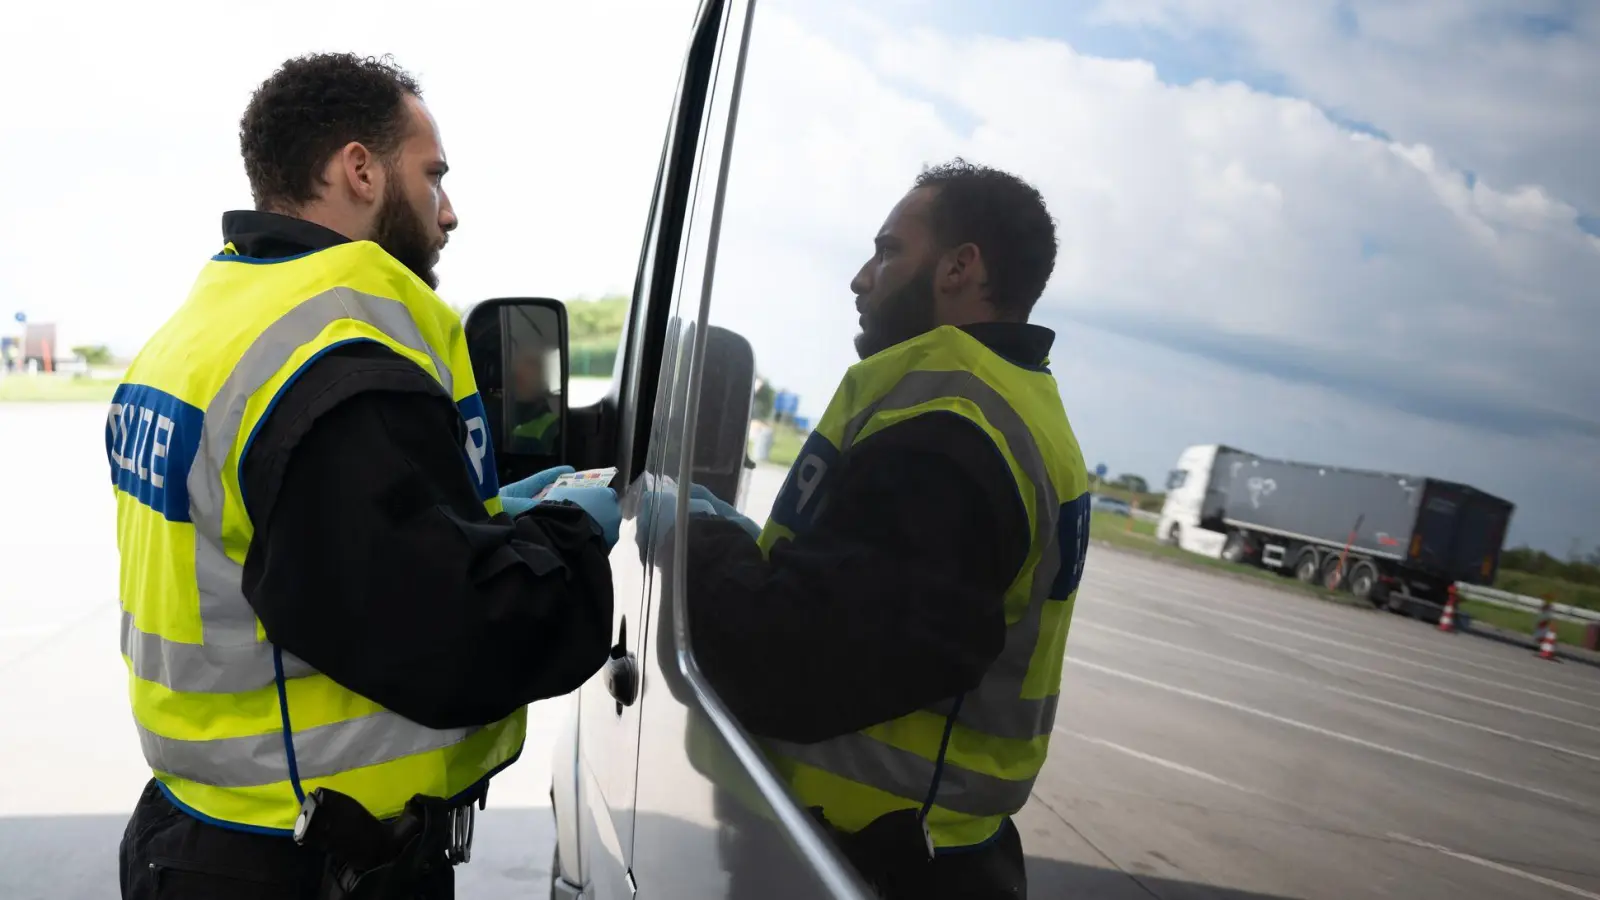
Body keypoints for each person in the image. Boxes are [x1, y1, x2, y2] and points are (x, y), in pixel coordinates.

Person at [110, 53, 620, 899]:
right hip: (304, 862)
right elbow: (455, 634)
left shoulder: (206, 327)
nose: (449, 212)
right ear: (359, 170)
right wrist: (571, 532)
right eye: (433, 177)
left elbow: (303, 550)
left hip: (202, 829)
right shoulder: (336, 350)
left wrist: (496, 515)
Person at [684, 160, 1090, 898]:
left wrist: (693, 539)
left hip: (867, 858)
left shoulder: (948, 424)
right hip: (926, 848)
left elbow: (796, 662)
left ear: (960, 268)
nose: (861, 277)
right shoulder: (1020, 405)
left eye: (888, 250)